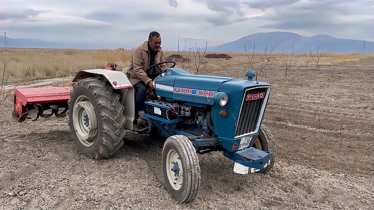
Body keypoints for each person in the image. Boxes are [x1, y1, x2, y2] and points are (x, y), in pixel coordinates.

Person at [126, 31, 165, 128]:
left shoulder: (159, 51)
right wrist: (149, 81)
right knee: (142, 89)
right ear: (149, 42)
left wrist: (165, 76)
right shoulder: (138, 50)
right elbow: (137, 69)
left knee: (163, 89)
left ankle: (160, 114)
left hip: (152, 76)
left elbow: (163, 65)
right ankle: (141, 115)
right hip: (136, 77)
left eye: (160, 42)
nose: (158, 45)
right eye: (156, 43)